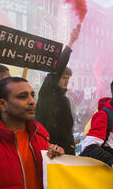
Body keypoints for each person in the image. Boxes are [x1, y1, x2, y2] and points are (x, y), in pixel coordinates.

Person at [35, 25, 81, 155]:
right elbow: (57, 70)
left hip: (66, 150)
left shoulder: (65, 99)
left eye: (68, 78)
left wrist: (71, 142)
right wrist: (71, 42)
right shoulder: (47, 93)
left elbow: (66, 128)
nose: (67, 81)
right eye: (63, 77)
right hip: (50, 150)